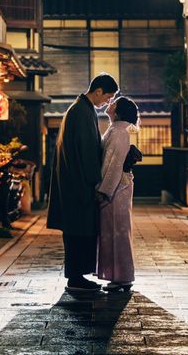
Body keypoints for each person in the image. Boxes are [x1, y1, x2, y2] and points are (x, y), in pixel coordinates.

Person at [46, 73, 119, 292]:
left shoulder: (79, 110)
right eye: (107, 97)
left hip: (72, 182)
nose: (107, 102)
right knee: (79, 231)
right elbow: (87, 151)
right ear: (97, 91)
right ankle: (76, 277)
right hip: (79, 185)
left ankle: (77, 276)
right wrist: (96, 182)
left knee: (76, 231)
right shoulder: (82, 112)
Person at [96, 96, 140, 292]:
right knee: (115, 231)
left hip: (116, 188)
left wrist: (104, 190)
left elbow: (113, 165)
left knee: (118, 231)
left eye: (113, 102)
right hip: (117, 186)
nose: (109, 103)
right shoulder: (117, 129)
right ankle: (118, 276)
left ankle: (122, 276)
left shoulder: (119, 131)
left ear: (118, 110)